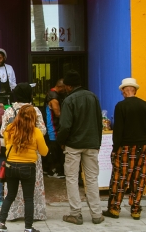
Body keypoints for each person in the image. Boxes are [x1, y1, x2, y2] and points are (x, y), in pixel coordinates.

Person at [103, 78, 146, 220]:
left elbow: (118, 130)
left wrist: (115, 148)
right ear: (135, 91)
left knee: (120, 178)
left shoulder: (121, 106)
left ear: (124, 91)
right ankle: (136, 210)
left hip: (125, 147)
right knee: (138, 179)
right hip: (142, 146)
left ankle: (114, 209)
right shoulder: (144, 105)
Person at [57, 70, 104, 225]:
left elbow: (65, 126)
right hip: (91, 144)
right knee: (91, 179)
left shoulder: (69, 100)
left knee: (71, 178)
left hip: (73, 145)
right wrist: (98, 143)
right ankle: (97, 214)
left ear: (69, 86)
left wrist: (61, 141)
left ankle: (76, 214)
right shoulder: (93, 97)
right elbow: (99, 122)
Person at [0, 105, 48, 232]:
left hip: (11, 166)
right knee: (29, 198)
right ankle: (28, 228)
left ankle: (0, 223)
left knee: (10, 196)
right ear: (33, 117)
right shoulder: (36, 132)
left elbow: (7, 145)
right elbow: (44, 152)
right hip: (28, 168)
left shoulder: (9, 129)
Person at [43, 78, 66, 178]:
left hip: (51, 127)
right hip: (53, 127)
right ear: (60, 87)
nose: (66, 90)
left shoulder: (50, 93)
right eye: (64, 88)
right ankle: (52, 170)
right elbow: (58, 113)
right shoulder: (54, 97)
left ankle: (49, 169)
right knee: (54, 149)